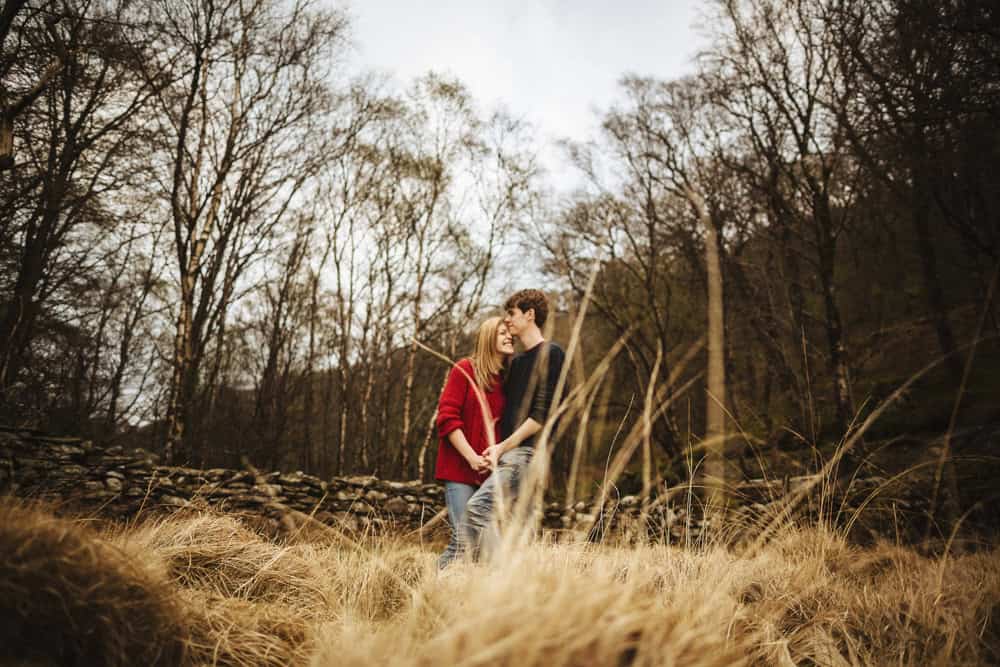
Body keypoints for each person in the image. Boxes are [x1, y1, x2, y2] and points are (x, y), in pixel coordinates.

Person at [460, 289, 565, 562]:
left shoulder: (552, 353)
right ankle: (520, 595)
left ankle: (497, 581)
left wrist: (502, 447)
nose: (507, 320)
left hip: (527, 455)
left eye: (512, 314)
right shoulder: (516, 363)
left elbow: (541, 415)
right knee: (519, 535)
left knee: (477, 509)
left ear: (530, 315)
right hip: (509, 456)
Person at [434, 316, 514, 570]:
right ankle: (424, 589)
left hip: (490, 475)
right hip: (460, 470)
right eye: (502, 332)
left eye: (509, 332)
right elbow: (446, 419)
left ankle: (477, 601)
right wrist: (471, 457)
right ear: (488, 338)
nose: (509, 336)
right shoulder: (464, 369)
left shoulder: (506, 381)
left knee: (490, 550)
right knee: (463, 542)